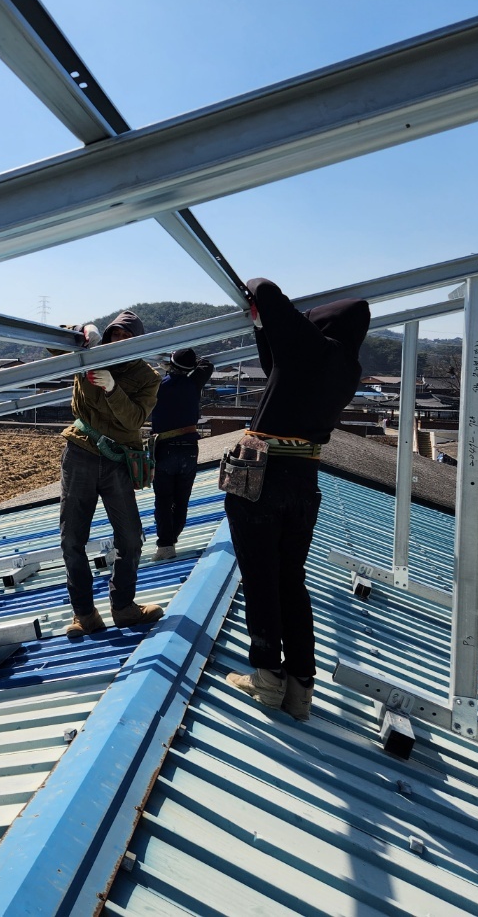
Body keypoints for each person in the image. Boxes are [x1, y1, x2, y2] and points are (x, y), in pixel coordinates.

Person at [224, 278, 369, 721]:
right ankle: (300, 686)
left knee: (260, 578)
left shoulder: (312, 347)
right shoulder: (347, 368)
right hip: (304, 479)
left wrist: (253, 290)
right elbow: (278, 367)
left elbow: (266, 288)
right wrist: (262, 326)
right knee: (290, 579)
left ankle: (267, 677)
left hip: (263, 475)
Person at [59, 310, 164, 637]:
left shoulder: (147, 377)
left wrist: (113, 388)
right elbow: (53, 342)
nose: (119, 341)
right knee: (72, 538)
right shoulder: (88, 354)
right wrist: (80, 331)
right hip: (80, 451)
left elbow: (134, 420)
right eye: (114, 334)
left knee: (130, 536)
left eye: (126, 337)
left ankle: (123, 607)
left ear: (138, 342)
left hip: (118, 458)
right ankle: (84, 614)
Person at [150, 347, 214, 559]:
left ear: (171, 364)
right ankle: (172, 539)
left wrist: (168, 371)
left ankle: (166, 545)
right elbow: (207, 365)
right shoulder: (193, 382)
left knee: (163, 500)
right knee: (182, 499)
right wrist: (188, 365)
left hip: (165, 448)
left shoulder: (158, 385)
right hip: (189, 447)